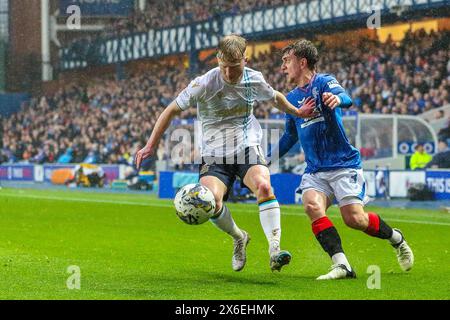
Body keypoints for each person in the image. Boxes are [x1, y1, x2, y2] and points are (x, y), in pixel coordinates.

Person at [135, 34, 317, 272]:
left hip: (246, 146)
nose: (229, 73)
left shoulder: (254, 79)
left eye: (235, 67)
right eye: (224, 67)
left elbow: (275, 99)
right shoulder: (204, 83)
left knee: (264, 186)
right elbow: (170, 110)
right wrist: (150, 145)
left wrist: (297, 111)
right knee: (210, 202)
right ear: (218, 60)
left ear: (245, 59)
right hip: (214, 154)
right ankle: (239, 237)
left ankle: (274, 250)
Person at [269, 39, 414, 280]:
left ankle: (396, 238)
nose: (283, 67)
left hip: (343, 164)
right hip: (316, 170)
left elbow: (344, 97)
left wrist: (338, 100)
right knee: (312, 206)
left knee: (355, 220)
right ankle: (342, 265)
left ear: (302, 62)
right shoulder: (290, 99)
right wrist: (265, 159)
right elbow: (289, 136)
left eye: (286, 61)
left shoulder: (324, 82)